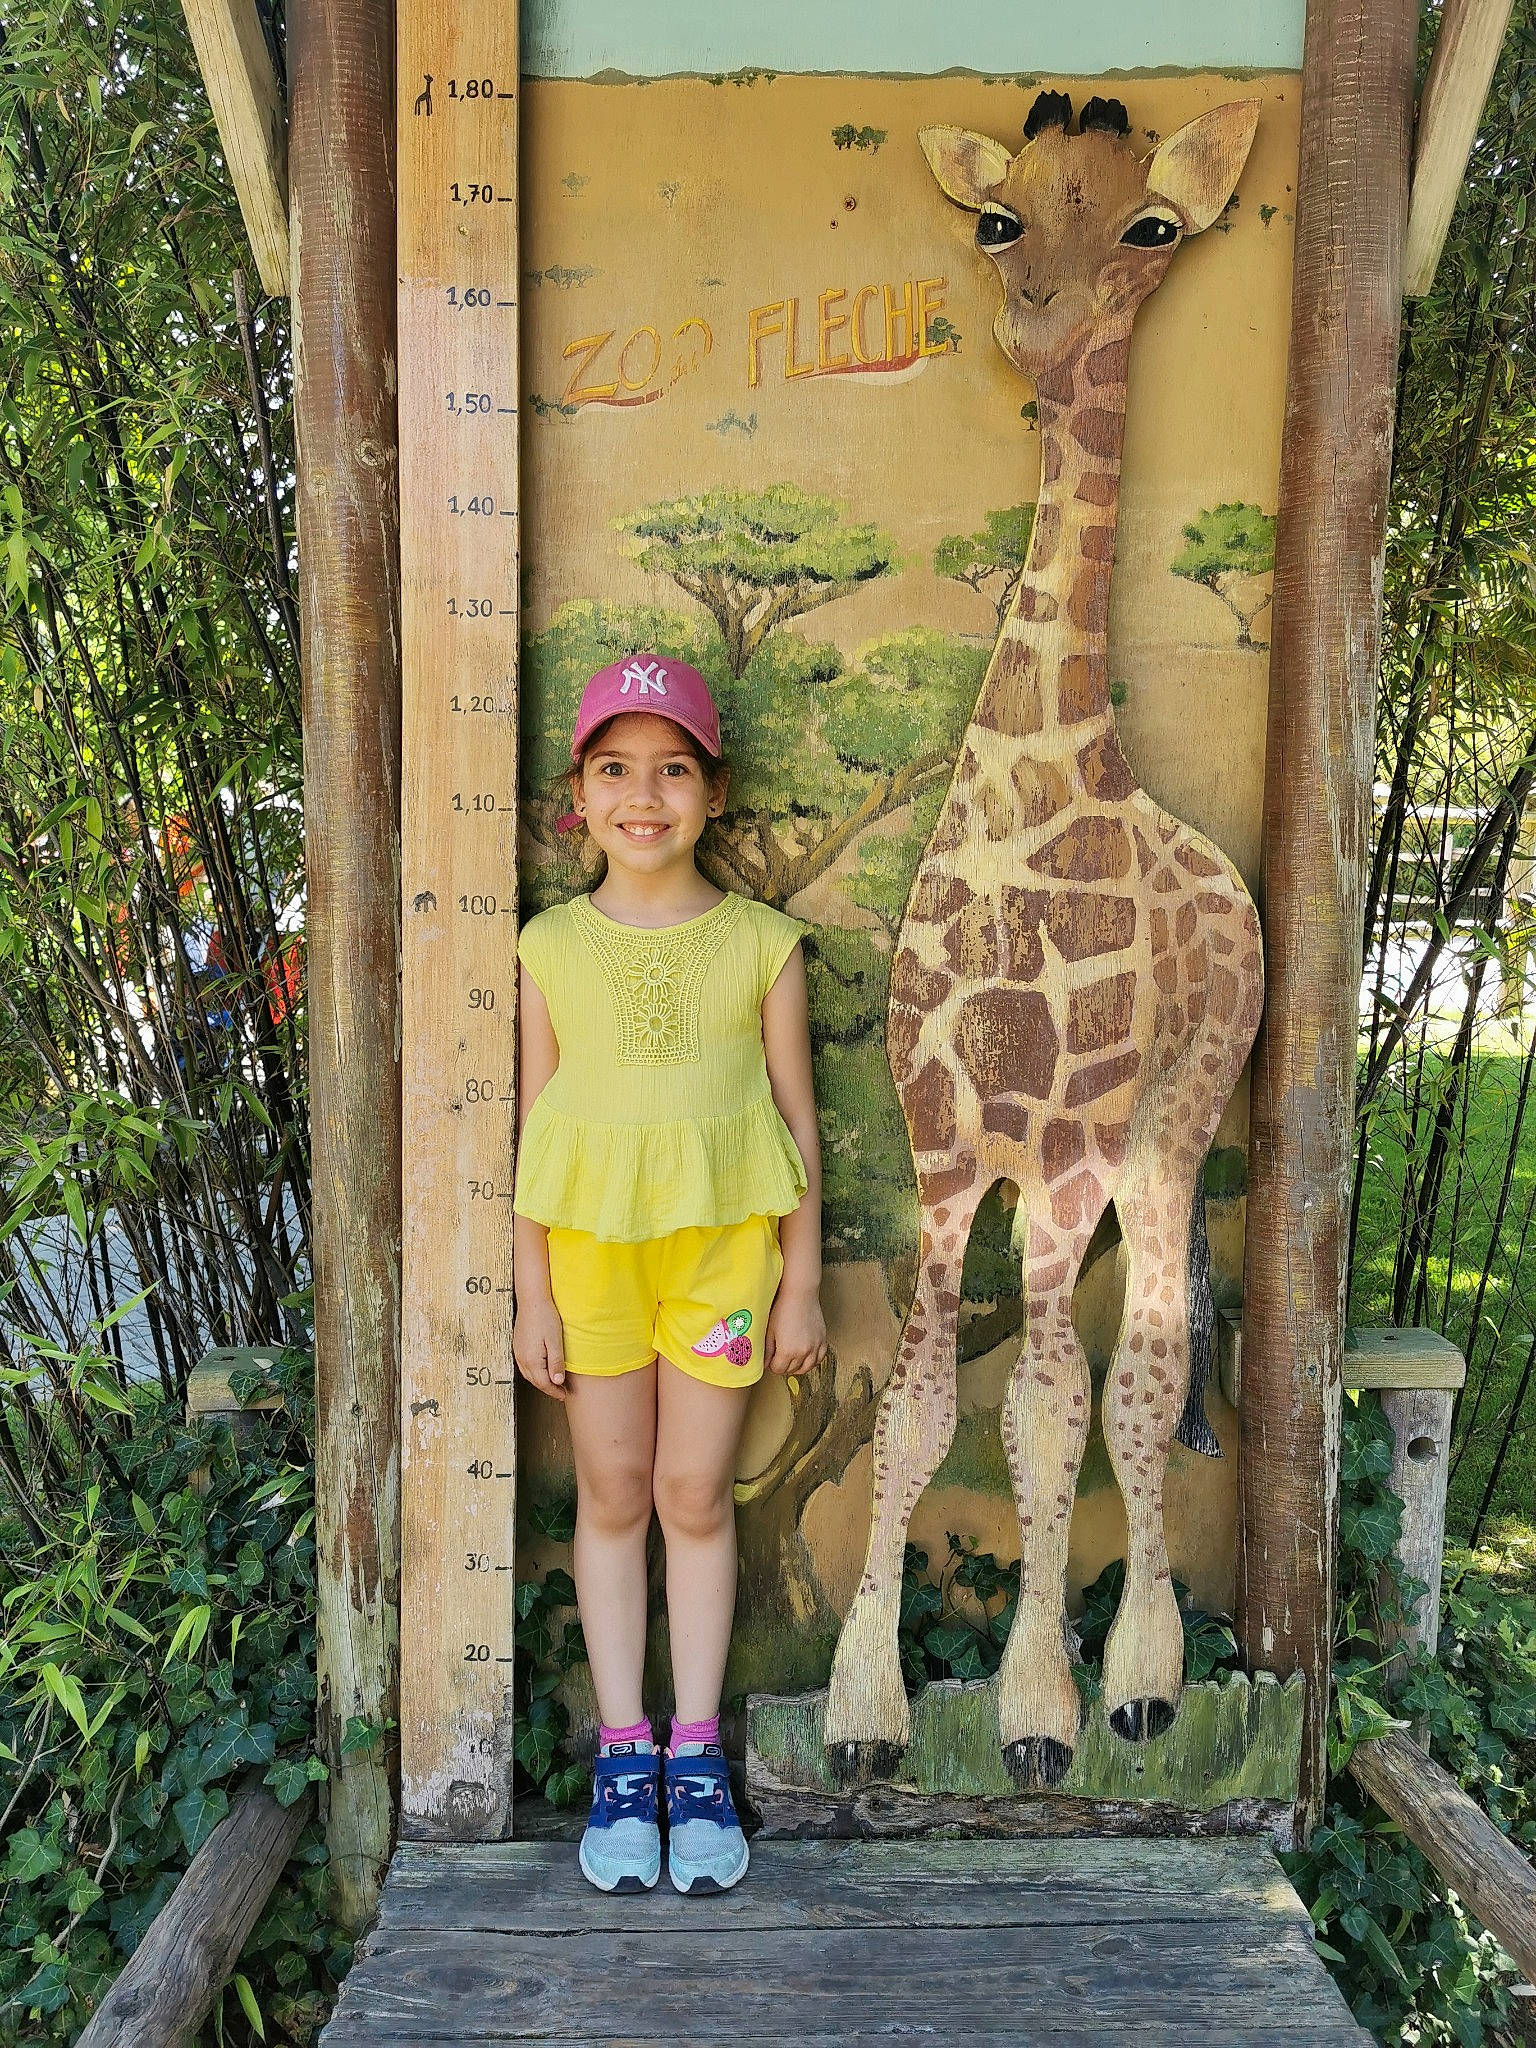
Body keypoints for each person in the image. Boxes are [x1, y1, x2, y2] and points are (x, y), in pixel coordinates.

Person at [512, 653, 828, 1896]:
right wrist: (530, 1290)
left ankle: (697, 1750)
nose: (644, 795)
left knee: (695, 1491)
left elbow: (797, 1125)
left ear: (712, 790)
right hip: (589, 1258)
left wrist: (799, 1279)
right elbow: (533, 1125)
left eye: (672, 768)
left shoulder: (763, 945)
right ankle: (623, 1751)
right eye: (615, 769)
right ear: (578, 797)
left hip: (722, 1255)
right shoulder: (549, 946)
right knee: (614, 1489)